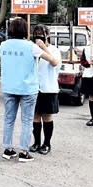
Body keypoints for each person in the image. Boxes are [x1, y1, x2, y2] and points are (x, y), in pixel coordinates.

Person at [0, 17, 59, 162]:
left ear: (11, 30)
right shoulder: (31, 47)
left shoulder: (3, 45)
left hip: (9, 87)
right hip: (27, 89)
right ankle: (24, 152)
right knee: (26, 121)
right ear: (25, 30)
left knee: (8, 119)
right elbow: (53, 61)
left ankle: (8, 149)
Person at [30, 25, 61, 155]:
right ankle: (36, 142)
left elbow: (55, 63)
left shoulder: (54, 50)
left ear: (47, 35)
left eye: (41, 34)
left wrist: (43, 47)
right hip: (33, 88)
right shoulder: (31, 49)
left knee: (47, 116)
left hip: (49, 87)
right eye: (35, 34)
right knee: (35, 116)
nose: (38, 36)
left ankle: (47, 143)